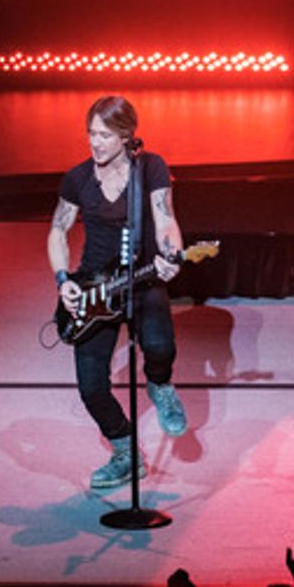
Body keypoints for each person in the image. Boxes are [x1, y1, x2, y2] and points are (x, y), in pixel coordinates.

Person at [47, 95, 188, 490]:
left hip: (142, 279)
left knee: (160, 347)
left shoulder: (151, 168)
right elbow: (58, 230)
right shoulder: (77, 179)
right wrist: (64, 281)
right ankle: (126, 453)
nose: (95, 143)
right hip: (94, 286)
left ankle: (159, 384)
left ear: (127, 136)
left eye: (105, 135)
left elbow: (166, 219)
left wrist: (170, 253)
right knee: (92, 386)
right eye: (91, 133)